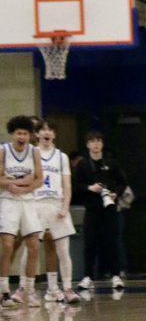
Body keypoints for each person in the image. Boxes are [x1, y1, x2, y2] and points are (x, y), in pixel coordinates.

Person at [71, 131, 126, 292]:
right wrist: (90, 188)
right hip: (91, 209)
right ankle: (88, 276)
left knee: (112, 242)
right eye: (92, 141)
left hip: (109, 209)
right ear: (87, 144)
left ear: (102, 144)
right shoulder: (82, 165)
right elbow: (75, 186)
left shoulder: (111, 163)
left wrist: (116, 193)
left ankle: (115, 275)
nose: (96, 144)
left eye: (98, 141)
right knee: (90, 243)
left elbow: (122, 183)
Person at [33, 121, 80, 305]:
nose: (47, 132)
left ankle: (67, 288)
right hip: (36, 204)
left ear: (54, 134)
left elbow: (67, 184)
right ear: (37, 134)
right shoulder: (31, 154)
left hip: (56, 204)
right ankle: (26, 289)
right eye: (43, 129)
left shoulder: (61, 157)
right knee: (31, 250)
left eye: (50, 130)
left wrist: (65, 206)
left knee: (63, 250)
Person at [0, 116, 43, 308]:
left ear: (29, 135)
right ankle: (4, 291)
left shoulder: (34, 152)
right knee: (8, 245)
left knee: (34, 246)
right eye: (19, 133)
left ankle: (29, 292)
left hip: (28, 200)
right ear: (12, 134)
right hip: (8, 200)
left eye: (25, 133)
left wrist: (24, 188)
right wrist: (16, 182)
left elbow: (39, 179)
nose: (22, 137)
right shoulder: (3, 151)